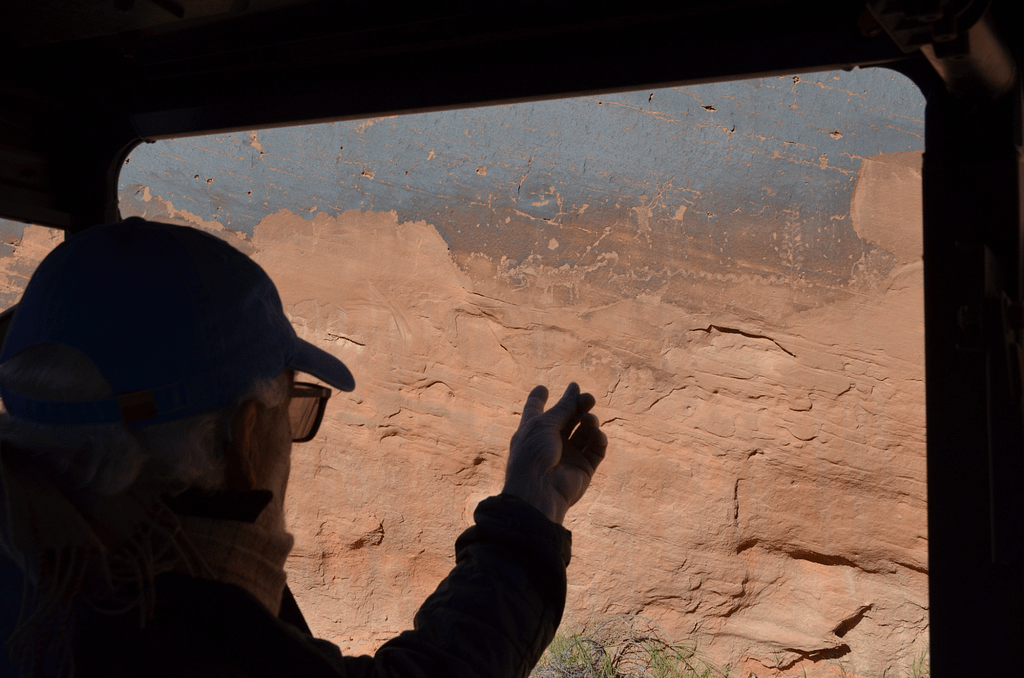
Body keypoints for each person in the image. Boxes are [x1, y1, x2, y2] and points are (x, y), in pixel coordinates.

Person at [0, 218, 608, 678]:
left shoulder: (48, 567)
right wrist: (530, 519)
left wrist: (531, 512)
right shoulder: (179, 631)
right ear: (241, 436)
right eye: (292, 407)